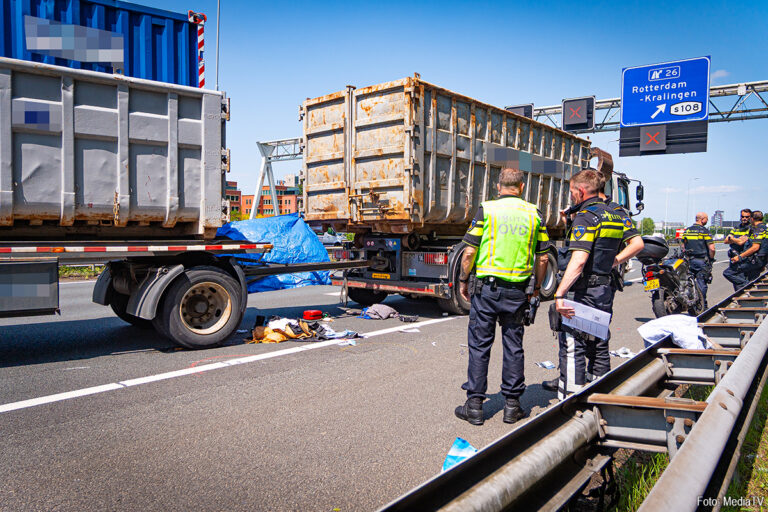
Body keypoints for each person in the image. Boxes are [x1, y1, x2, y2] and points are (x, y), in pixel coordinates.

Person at [454, 167, 550, 426]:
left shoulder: (487, 210)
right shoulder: (534, 214)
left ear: (498, 187)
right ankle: (512, 406)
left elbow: (469, 252)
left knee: (479, 346)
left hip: (486, 290)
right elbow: (542, 258)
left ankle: (474, 406)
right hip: (518, 292)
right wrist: (538, 288)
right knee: (513, 347)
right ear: (521, 187)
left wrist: (463, 280)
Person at [544, 169, 643, 399]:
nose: (571, 197)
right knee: (598, 340)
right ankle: (601, 392)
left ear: (580, 191)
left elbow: (578, 260)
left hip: (584, 290)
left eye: (572, 192)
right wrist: (614, 261)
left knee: (573, 341)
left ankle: (572, 398)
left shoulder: (586, 217)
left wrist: (559, 294)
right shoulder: (617, 213)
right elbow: (637, 243)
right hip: (604, 289)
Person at [681, 213, 716, 307]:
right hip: (702, 261)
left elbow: (683, 246)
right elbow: (712, 248)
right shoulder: (704, 231)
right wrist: (711, 259)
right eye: (707, 219)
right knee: (701, 284)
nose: (707, 221)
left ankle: (690, 304)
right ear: (702, 219)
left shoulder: (687, 230)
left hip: (689, 261)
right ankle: (701, 305)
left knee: (689, 284)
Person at [724, 209, 760, 290]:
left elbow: (741, 242)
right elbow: (726, 240)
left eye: (746, 217)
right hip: (735, 259)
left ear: (751, 217)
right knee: (738, 287)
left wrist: (732, 239)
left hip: (746, 260)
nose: (744, 218)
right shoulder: (736, 227)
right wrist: (735, 239)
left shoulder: (752, 228)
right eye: (742, 216)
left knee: (747, 287)